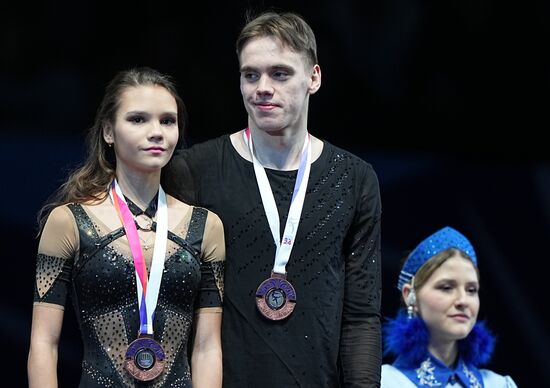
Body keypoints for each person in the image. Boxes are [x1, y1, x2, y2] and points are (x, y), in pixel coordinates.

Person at [163, 10, 382, 388]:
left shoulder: (354, 179)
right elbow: (170, 303)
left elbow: (361, 315)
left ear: (314, 77)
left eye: (280, 73)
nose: (262, 87)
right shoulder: (194, 171)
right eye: (251, 75)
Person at [27, 66, 225, 387]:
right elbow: (44, 344)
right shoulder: (70, 222)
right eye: (137, 119)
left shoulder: (205, 227)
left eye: (167, 121)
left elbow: (207, 347)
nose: (157, 131)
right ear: (108, 131)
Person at [381, 226, 518, 387]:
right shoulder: (384, 382)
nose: (463, 300)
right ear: (410, 295)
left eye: (471, 290)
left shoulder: (498, 385)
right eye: (446, 287)